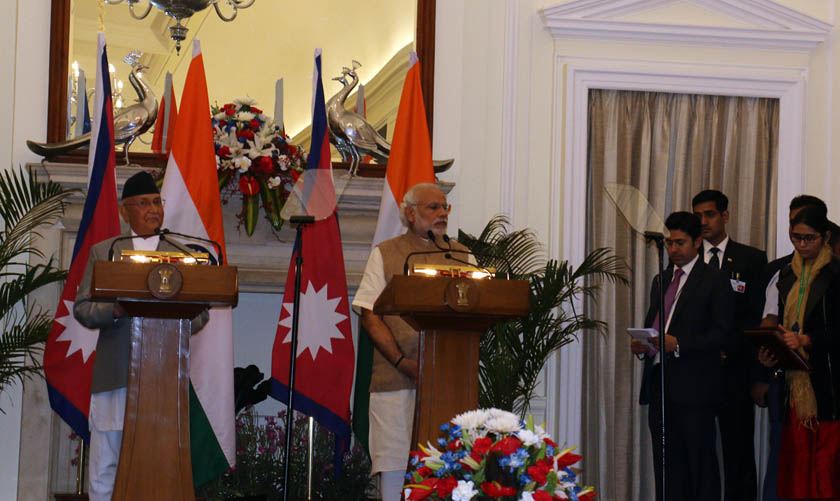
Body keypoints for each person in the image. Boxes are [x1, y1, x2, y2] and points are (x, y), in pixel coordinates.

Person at [74, 171, 208, 501]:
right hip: (115, 375)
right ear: (125, 210)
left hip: (164, 382)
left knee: (162, 469)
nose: (153, 209)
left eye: (157, 202)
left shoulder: (183, 254)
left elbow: (202, 312)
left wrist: (175, 318)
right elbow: (83, 308)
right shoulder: (106, 252)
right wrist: (114, 311)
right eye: (144, 203)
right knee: (107, 466)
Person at [352, 183, 472, 501]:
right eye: (433, 207)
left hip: (449, 384)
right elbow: (369, 314)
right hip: (395, 380)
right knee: (394, 468)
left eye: (445, 207)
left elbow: (478, 310)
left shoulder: (462, 255)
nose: (442, 214)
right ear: (410, 212)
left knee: (451, 470)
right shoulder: (386, 253)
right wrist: (402, 362)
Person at [631, 211, 734, 501]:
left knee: (699, 465)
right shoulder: (661, 280)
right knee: (666, 465)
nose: (673, 250)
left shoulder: (714, 280)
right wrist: (644, 345)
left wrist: (678, 344)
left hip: (696, 388)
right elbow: (656, 325)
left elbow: (722, 335)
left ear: (698, 242)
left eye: (680, 243)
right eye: (669, 243)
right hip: (660, 383)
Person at [759, 206, 840, 500]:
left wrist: (806, 339)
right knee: (795, 467)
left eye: (810, 238)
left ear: (826, 236)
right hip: (794, 387)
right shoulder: (785, 274)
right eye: (796, 238)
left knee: (825, 468)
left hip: (829, 389)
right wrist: (770, 352)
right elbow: (775, 325)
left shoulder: (836, 274)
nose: (802, 245)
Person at [692, 189, 767, 501]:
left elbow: (755, 316)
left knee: (738, 455)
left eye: (709, 214)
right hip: (696, 375)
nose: (704, 222)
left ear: (725, 216)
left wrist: (728, 349)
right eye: (697, 216)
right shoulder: (689, 259)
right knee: (699, 455)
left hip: (735, 374)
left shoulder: (751, 258)